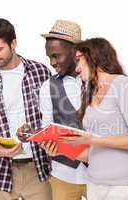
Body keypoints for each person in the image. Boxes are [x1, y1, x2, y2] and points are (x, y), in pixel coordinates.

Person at [0, 18, 52, 200]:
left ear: (13, 43)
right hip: (0, 172)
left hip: (38, 167)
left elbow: (52, 119)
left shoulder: (41, 72)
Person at [60, 38, 128, 200]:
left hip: (124, 187)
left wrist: (94, 140)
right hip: (94, 186)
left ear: (93, 56)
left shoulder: (123, 85)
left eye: (79, 60)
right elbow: (93, 153)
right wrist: (62, 147)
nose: (77, 68)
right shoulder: (89, 93)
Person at [39, 20, 87, 200]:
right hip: (63, 175)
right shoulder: (47, 87)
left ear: (76, 52)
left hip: (99, 175)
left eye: (56, 56)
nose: (51, 62)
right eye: (49, 57)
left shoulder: (98, 81)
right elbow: (47, 128)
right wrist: (47, 144)